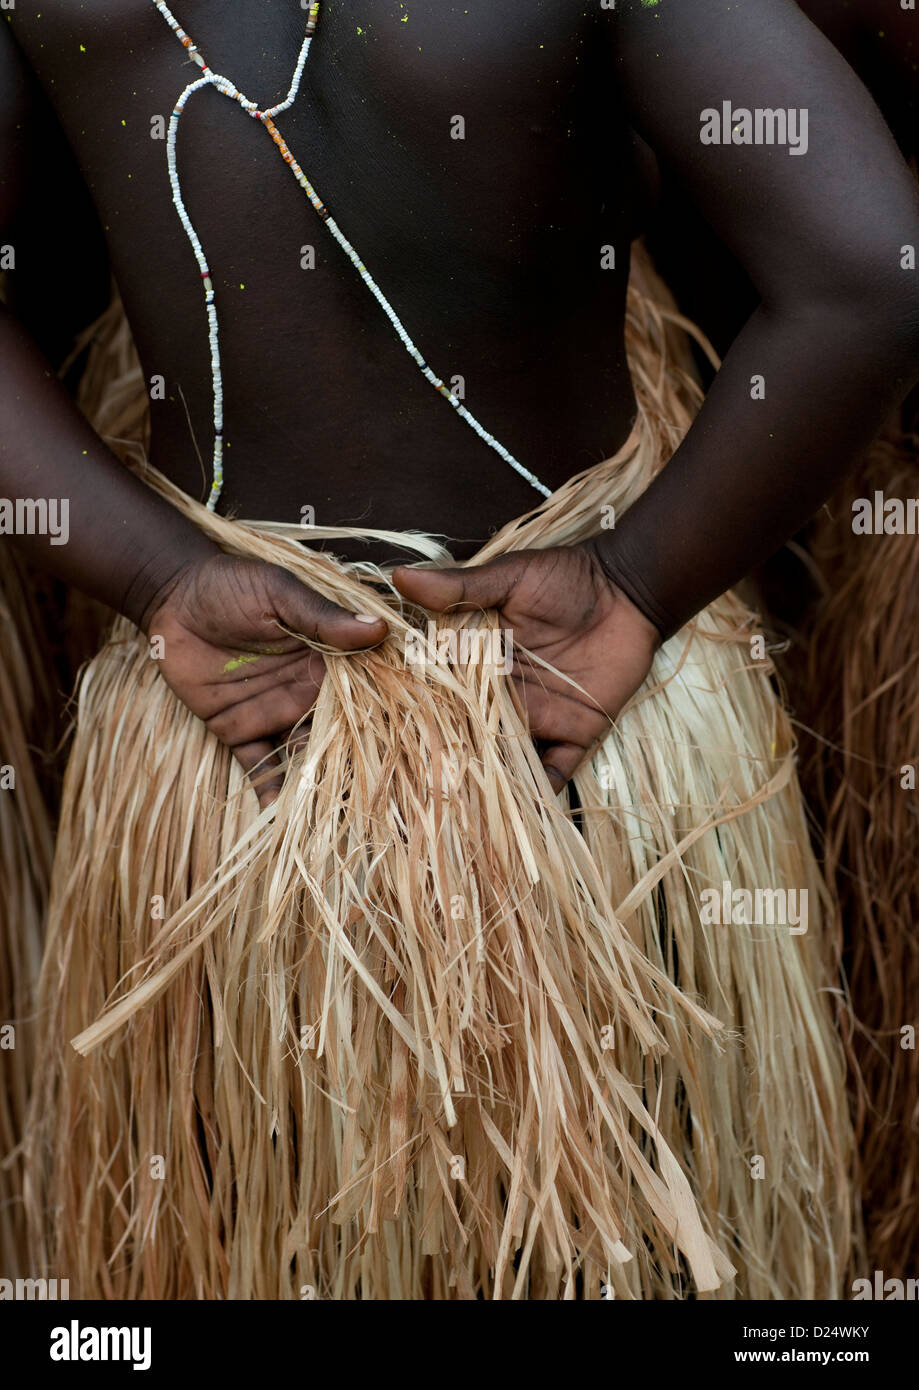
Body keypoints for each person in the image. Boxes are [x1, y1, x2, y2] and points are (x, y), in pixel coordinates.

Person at [3, 0, 919, 1299]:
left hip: (234, 752)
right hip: (581, 733)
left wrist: (153, 576)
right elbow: (872, 273)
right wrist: (639, 581)